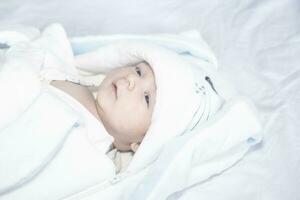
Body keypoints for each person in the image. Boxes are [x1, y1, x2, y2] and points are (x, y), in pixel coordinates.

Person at [51, 61, 156, 153]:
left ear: (141, 145)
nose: (132, 77)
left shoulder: (93, 153)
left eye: (147, 98)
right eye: (138, 71)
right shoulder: (78, 81)